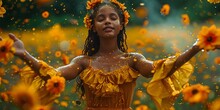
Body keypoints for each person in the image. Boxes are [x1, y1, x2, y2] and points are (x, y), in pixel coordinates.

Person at [1, 0, 220, 110]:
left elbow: (163, 68)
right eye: (101, 18)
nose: (107, 21)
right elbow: (52, 77)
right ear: (93, 26)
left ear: (121, 23)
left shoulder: (133, 60)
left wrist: (197, 46)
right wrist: (23, 54)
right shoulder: (83, 62)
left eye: (113, 17)